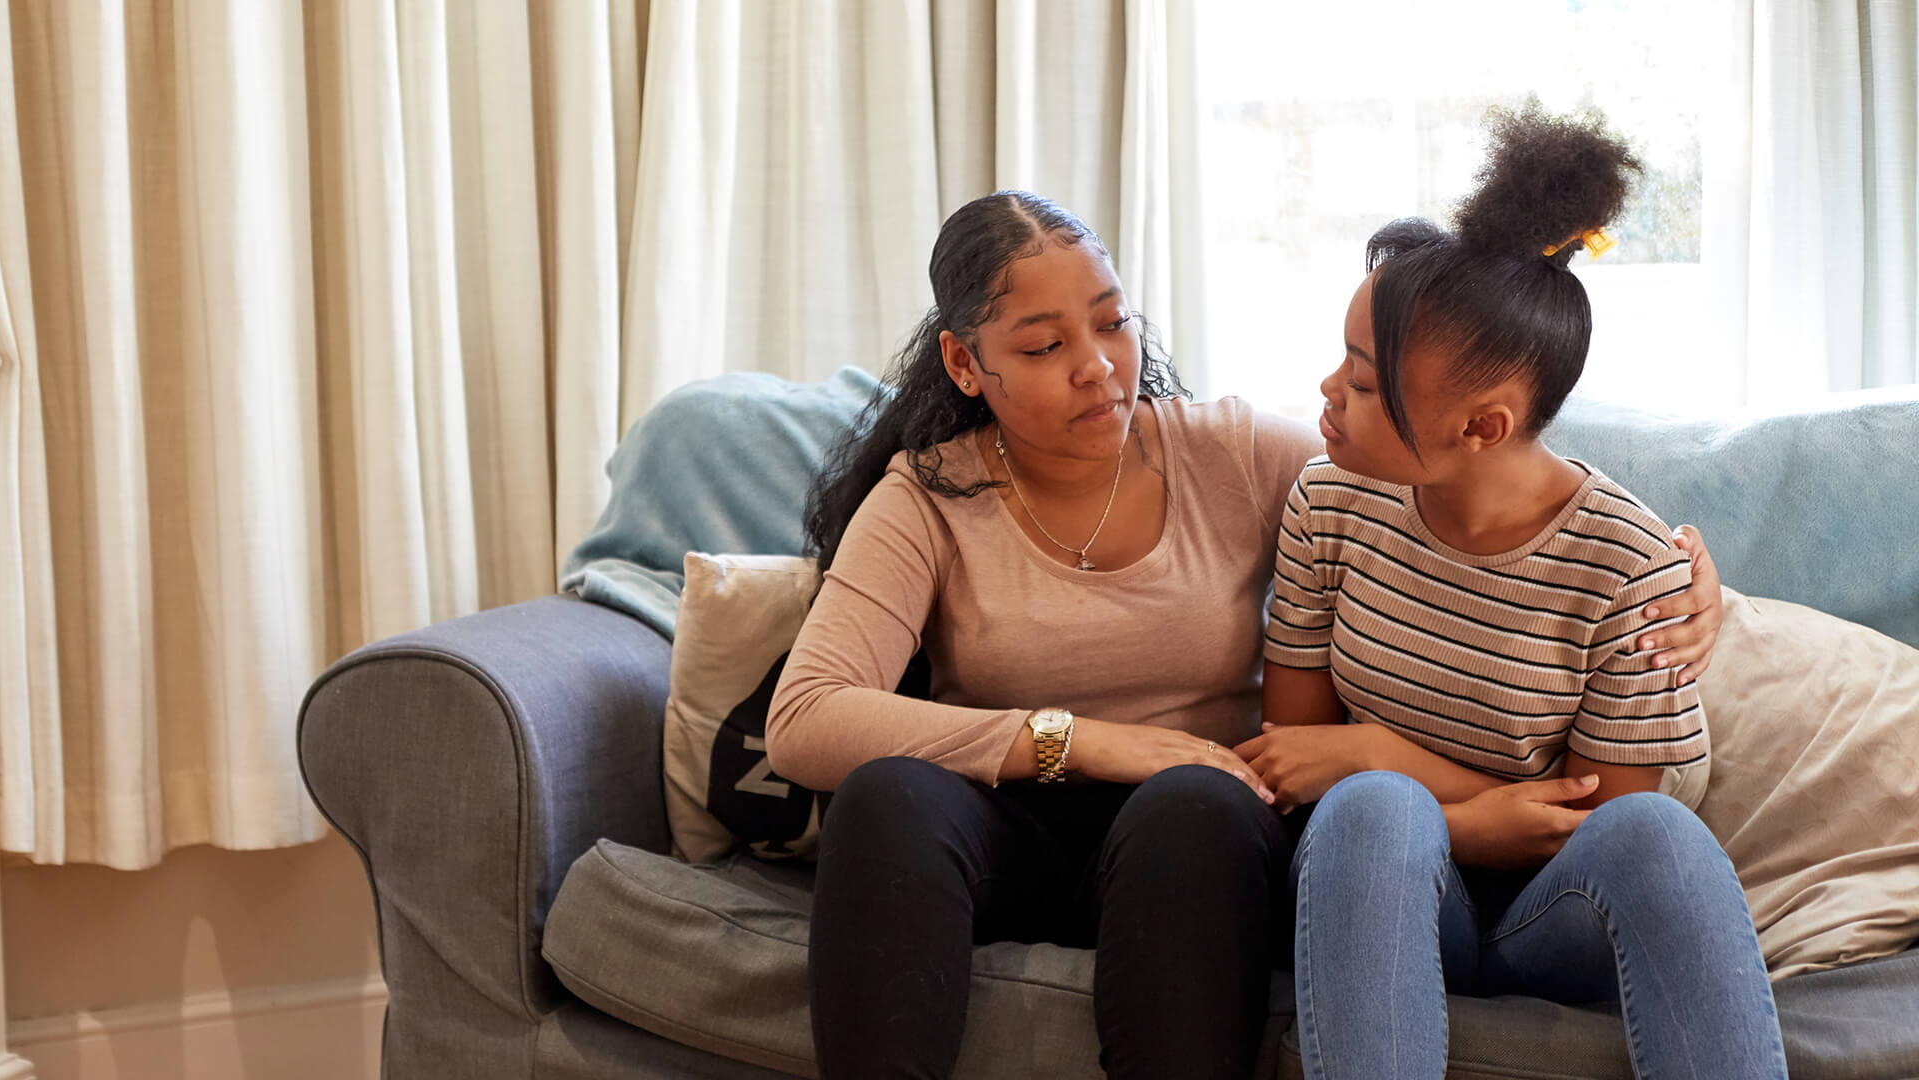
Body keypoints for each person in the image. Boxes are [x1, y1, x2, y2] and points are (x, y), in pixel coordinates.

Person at [764, 188, 1727, 1079]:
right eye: (1043, 346)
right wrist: (1081, 741)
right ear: (967, 364)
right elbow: (807, 721)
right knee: (886, 796)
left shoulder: (1234, 455)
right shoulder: (928, 497)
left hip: (1201, 839)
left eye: (1111, 322)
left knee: (1193, 801)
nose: (1098, 367)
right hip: (1013, 826)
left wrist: (1688, 574)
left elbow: (1446, 465)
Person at [1245, 103, 1787, 1078]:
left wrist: (1386, 760)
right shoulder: (1329, 501)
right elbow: (1299, 761)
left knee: (1655, 832)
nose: (1327, 391)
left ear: (1483, 427)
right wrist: (1443, 807)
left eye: (1365, 383)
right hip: (1386, 886)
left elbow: (1595, 821)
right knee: (1374, 810)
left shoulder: (1630, 565)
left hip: (1559, 915)